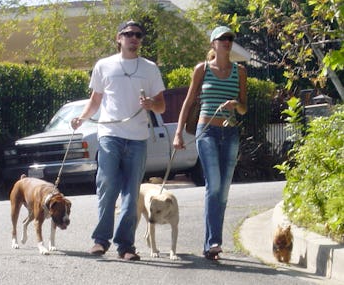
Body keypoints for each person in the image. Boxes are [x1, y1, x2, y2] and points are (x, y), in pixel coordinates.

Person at [71, 20, 166, 261]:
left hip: (137, 138)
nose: (133, 38)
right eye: (128, 34)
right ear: (119, 38)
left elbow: (162, 106)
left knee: (131, 193)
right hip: (109, 135)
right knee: (107, 187)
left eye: (137, 35)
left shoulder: (150, 68)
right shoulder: (104, 66)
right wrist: (81, 118)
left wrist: (151, 105)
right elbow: (95, 100)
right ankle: (100, 241)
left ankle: (126, 246)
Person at [173, 26, 247, 260]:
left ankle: (211, 244)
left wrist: (235, 104)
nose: (227, 41)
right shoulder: (202, 69)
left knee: (223, 191)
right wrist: (178, 133)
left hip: (230, 132)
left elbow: (244, 108)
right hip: (207, 132)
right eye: (222, 38)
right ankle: (213, 241)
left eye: (230, 39)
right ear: (213, 44)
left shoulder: (240, 71)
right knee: (213, 185)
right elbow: (188, 101)